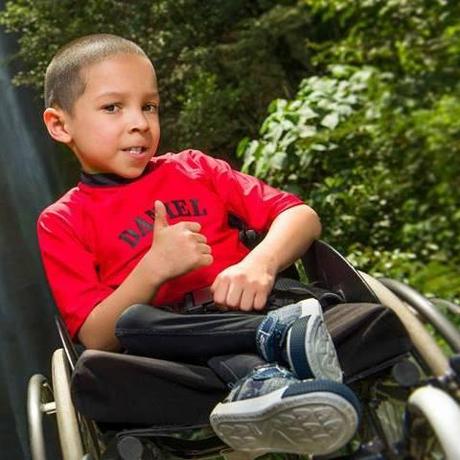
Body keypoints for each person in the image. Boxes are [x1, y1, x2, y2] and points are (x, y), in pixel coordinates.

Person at [38, 34, 361, 456]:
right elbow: (98, 336)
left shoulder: (194, 168)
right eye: (113, 107)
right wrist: (154, 268)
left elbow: (301, 216)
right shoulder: (61, 221)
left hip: (249, 304)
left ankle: (266, 362)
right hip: (166, 344)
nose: (139, 122)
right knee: (132, 324)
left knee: (367, 316)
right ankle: (269, 354)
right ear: (61, 125)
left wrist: (260, 262)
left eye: (149, 106)